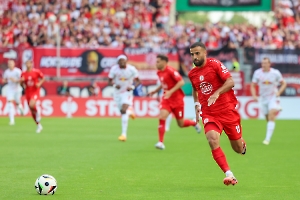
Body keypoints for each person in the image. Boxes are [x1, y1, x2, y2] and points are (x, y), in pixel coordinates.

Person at [188, 42, 246, 186]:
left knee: (238, 149)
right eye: (192, 54)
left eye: (197, 53)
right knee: (212, 140)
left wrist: (217, 93)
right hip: (209, 113)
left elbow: (231, 82)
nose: (194, 57)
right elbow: (195, 90)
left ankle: (242, 144)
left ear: (205, 53)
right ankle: (229, 174)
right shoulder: (192, 73)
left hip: (227, 111)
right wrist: (196, 105)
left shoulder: (215, 65)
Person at [148, 54, 201, 150]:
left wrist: (170, 91)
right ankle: (160, 142)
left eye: (158, 61)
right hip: (166, 99)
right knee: (162, 116)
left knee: (180, 124)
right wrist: (155, 91)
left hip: (177, 100)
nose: (156, 63)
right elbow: (163, 83)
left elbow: (181, 82)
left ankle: (194, 123)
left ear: (164, 62)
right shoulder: (159, 72)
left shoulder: (171, 71)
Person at [250, 57, 287, 145]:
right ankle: (277, 109)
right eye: (263, 63)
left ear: (269, 64)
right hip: (263, 98)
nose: (264, 65)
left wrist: (279, 92)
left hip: (273, 97)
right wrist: (254, 95)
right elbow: (253, 85)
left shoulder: (275, 73)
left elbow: (284, 83)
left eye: (266, 63)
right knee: (268, 118)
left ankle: (267, 139)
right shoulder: (257, 73)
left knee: (271, 116)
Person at [108, 55, 139, 141]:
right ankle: (130, 112)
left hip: (127, 92)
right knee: (122, 111)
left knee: (124, 110)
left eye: (123, 61)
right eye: (120, 61)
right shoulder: (114, 69)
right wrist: (114, 85)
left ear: (126, 61)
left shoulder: (131, 69)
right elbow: (109, 81)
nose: (122, 62)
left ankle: (123, 134)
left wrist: (132, 87)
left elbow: (138, 81)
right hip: (117, 93)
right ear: (118, 62)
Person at [21, 59, 45, 133]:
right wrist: (22, 83)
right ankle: (38, 125)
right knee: (31, 110)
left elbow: (43, 78)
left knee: (32, 104)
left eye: (29, 63)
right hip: (28, 92)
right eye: (26, 63)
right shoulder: (23, 73)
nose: (28, 65)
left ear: (31, 64)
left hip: (35, 91)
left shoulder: (36, 72)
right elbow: (22, 83)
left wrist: (39, 84)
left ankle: (38, 113)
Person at [2, 59, 24, 125]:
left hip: (17, 89)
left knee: (17, 103)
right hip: (10, 90)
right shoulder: (6, 72)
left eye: (11, 64)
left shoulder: (18, 71)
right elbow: (4, 80)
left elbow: (22, 79)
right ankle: (12, 121)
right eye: (9, 64)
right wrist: (6, 80)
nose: (10, 65)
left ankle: (20, 108)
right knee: (10, 104)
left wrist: (15, 80)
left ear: (14, 64)